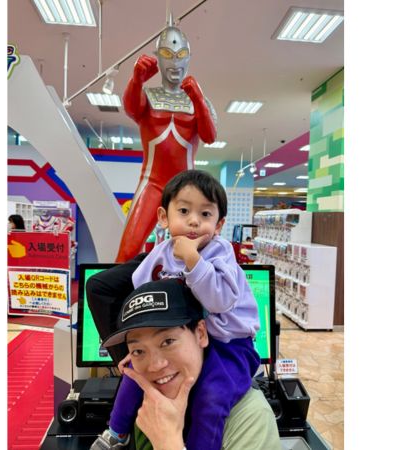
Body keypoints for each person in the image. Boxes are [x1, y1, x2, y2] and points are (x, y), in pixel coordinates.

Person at [91, 170, 260, 450]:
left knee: (211, 399)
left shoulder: (220, 253)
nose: (194, 220)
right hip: (186, 336)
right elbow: (142, 288)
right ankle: (116, 432)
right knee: (134, 375)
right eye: (184, 211)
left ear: (219, 224)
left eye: (205, 214)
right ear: (163, 217)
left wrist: (194, 261)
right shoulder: (161, 252)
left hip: (229, 342)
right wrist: (137, 345)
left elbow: (218, 302)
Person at [96, 279, 282, 450]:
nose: (155, 365)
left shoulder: (251, 420)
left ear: (201, 333)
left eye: (168, 342)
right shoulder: (147, 405)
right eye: (138, 351)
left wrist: (168, 444)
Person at [115, 16, 217, 263]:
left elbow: (209, 136)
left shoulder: (198, 100)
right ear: (158, 57)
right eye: (167, 54)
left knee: (194, 253)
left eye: (180, 54)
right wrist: (136, 79)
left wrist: (199, 101)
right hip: (152, 184)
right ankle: (124, 289)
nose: (175, 62)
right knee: (129, 249)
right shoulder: (147, 95)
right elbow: (131, 108)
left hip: (187, 187)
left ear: (189, 57)